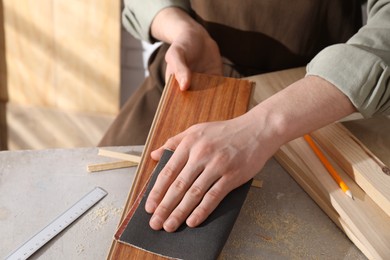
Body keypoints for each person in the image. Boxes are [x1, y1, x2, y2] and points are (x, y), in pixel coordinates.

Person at [100, 0, 390, 232]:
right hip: (192, 76)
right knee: (107, 195)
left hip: (316, 96)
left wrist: (263, 126)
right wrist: (181, 28)